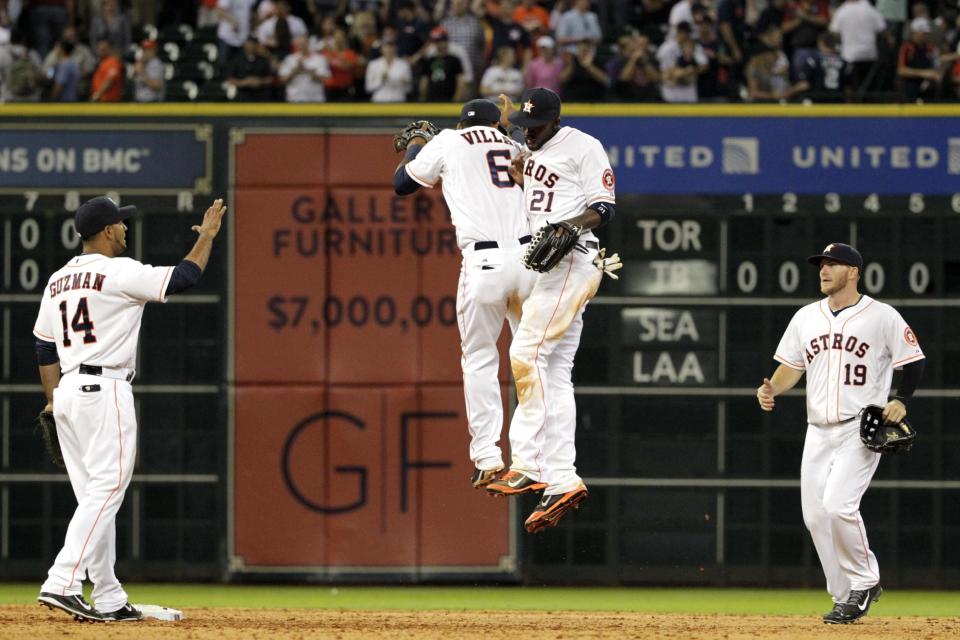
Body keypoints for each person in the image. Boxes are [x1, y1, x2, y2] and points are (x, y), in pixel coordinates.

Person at [34, 195, 227, 622]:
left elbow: (44, 343)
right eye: (120, 223)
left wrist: (51, 399)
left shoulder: (57, 279)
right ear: (105, 231)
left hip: (67, 391)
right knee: (107, 491)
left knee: (94, 497)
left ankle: (107, 595)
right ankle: (61, 581)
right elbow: (184, 277)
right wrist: (208, 237)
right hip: (104, 389)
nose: (125, 228)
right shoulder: (118, 271)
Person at [756, 242, 925, 624]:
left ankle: (866, 582)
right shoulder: (805, 317)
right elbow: (791, 368)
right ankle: (844, 594)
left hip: (858, 428)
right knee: (816, 516)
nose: (824, 270)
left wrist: (901, 399)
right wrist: (771, 389)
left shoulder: (881, 316)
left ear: (853, 272)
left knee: (838, 506)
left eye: (833, 264)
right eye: (822, 264)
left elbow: (914, 361)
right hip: (816, 430)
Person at [486, 87, 616, 534]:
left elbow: (604, 208)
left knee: (525, 355)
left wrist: (569, 225)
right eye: (524, 128)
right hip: (549, 267)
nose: (529, 134)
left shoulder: (583, 145)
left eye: (536, 127)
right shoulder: (528, 150)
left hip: (575, 258)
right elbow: (542, 194)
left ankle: (530, 463)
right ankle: (562, 478)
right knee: (555, 371)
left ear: (554, 120)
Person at [392, 98, 534, 489]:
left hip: (484, 262)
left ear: (460, 122)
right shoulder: (515, 145)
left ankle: (488, 456)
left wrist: (418, 142)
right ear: (496, 123)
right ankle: (534, 460)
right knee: (533, 362)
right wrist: (509, 129)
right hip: (529, 261)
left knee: (480, 359)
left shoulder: (449, 141)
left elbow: (402, 184)